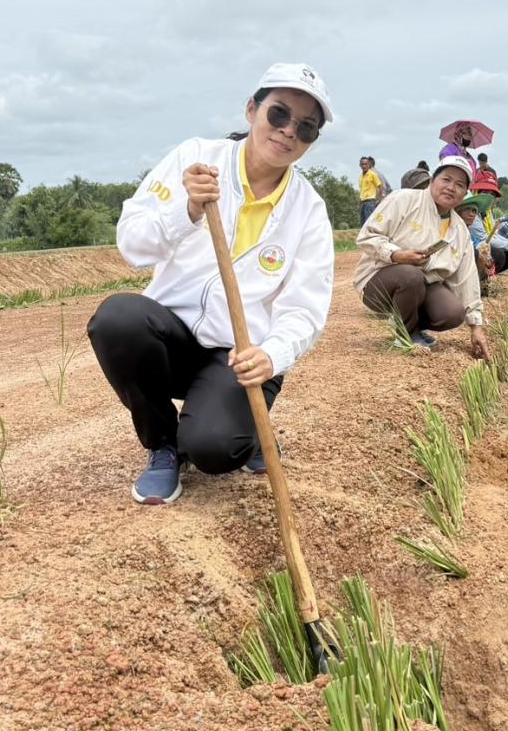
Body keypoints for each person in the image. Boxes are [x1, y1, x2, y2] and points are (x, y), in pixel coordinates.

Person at [87, 62, 336, 505]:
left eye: (306, 127)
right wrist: (186, 211)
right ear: (251, 110)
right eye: (278, 114)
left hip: (240, 355)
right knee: (118, 320)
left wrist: (271, 354)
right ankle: (163, 445)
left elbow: (305, 310)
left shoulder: (309, 211)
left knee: (216, 451)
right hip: (172, 341)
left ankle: (246, 431)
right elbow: (131, 244)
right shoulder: (196, 161)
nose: (288, 132)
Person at [355, 155, 491, 357]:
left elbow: (466, 279)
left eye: (460, 185)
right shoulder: (403, 200)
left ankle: (410, 321)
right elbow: (367, 237)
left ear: (464, 193)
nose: (451, 187)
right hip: (377, 282)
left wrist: (476, 326)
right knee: (411, 276)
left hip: (423, 285)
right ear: (432, 181)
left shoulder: (459, 230)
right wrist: (396, 255)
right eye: (446, 179)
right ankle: (406, 334)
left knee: (452, 314)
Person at [359, 156, 385, 225]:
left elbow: (380, 186)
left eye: (365, 164)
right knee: (363, 223)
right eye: (362, 164)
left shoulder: (372, 174)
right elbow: (362, 190)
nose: (364, 166)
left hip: (370, 202)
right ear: (360, 165)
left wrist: (380, 199)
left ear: (369, 165)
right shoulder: (361, 176)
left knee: (369, 223)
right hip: (362, 202)